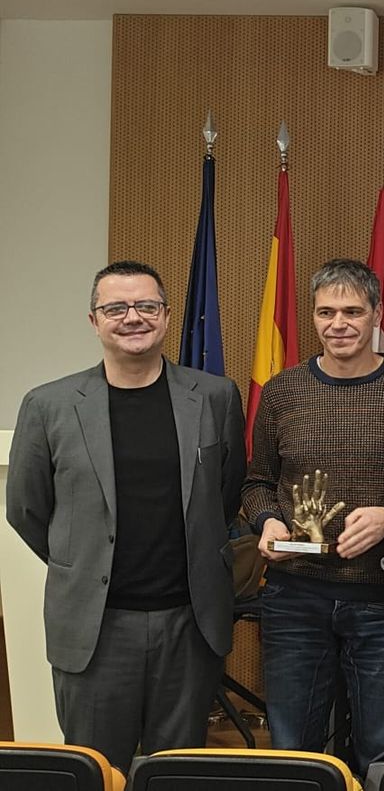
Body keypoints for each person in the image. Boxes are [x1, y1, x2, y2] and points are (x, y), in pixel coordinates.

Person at [6, 261, 245, 771]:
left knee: (176, 772)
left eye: (146, 306)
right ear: (94, 320)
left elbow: (223, 496)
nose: (132, 317)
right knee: (96, 770)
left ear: (164, 316)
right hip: (95, 628)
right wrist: (82, 561)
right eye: (116, 308)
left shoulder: (215, 397)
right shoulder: (48, 405)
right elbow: (26, 508)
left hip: (189, 623)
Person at [244, 258, 384, 775]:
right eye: (326, 312)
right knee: (294, 751)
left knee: (381, 751)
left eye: (353, 311)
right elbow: (256, 482)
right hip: (295, 597)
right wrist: (267, 520)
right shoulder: (283, 392)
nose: (338, 324)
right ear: (313, 318)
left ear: (378, 314)